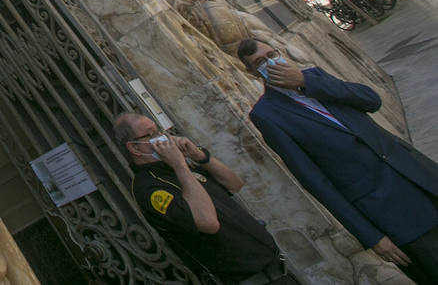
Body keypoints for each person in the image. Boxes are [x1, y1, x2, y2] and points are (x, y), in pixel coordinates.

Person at [238, 39, 438, 283]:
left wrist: (305, 83)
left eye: (272, 54)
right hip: (389, 209)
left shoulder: (314, 77)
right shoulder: (266, 114)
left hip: (420, 176)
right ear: (250, 71)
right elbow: (314, 180)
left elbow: (370, 100)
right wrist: (370, 236)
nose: (271, 62)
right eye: (261, 61)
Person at [114, 112, 295, 284]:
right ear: (134, 147)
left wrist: (198, 155)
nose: (160, 137)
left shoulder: (174, 169)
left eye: (158, 130)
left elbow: (234, 183)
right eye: (150, 134)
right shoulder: (149, 188)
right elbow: (207, 222)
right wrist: (179, 164)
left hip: (278, 270)